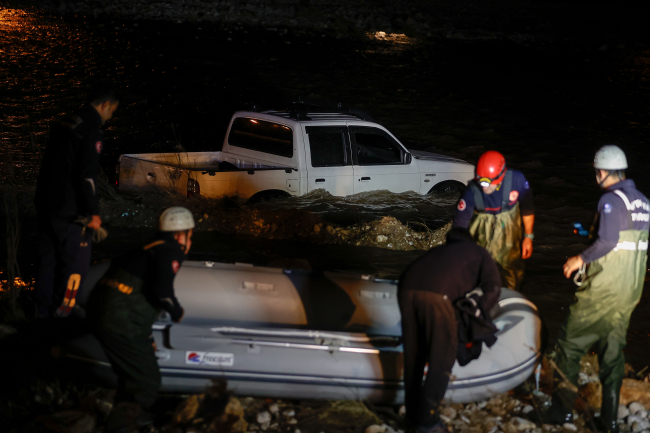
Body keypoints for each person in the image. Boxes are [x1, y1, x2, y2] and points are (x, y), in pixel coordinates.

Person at [547, 145, 649, 433]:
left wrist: (579, 258)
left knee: (567, 347)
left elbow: (606, 242)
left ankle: (560, 412)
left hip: (603, 290)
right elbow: (625, 241)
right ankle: (609, 420)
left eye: (597, 172)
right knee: (612, 352)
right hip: (629, 292)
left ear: (602, 172)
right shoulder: (642, 202)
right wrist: (586, 233)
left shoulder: (611, 199)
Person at [86, 206, 193, 433]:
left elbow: (137, 296)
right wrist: (176, 312)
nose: (190, 241)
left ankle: (126, 420)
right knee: (146, 380)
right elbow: (161, 291)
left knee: (131, 375)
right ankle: (121, 427)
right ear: (180, 235)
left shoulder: (144, 250)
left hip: (101, 312)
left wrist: (146, 335)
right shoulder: (171, 250)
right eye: (190, 235)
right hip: (120, 319)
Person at [398, 228, 502, 433]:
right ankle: (428, 422)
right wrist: (477, 314)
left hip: (405, 287)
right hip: (437, 295)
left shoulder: (440, 252)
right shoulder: (479, 252)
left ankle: (412, 416)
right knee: (442, 359)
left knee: (414, 356)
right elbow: (494, 287)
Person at [33, 82, 119, 318]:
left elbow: (49, 163)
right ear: (104, 105)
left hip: (47, 204)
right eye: (111, 111)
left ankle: (41, 312)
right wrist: (93, 213)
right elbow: (87, 176)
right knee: (75, 267)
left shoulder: (65, 121)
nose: (110, 117)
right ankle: (62, 313)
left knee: (47, 261)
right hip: (73, 212)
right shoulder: (92, 130)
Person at [452, 150, 535, 291]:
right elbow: (459, 228)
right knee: (478, 281)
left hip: (509, 242)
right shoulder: (471, 193)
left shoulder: (517, 180)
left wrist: (528, 237)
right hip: (481, 243)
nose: (484, 187)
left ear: (502, 175)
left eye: (488, 183)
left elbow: (527, 209)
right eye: (481, 181)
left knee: (513, 277)